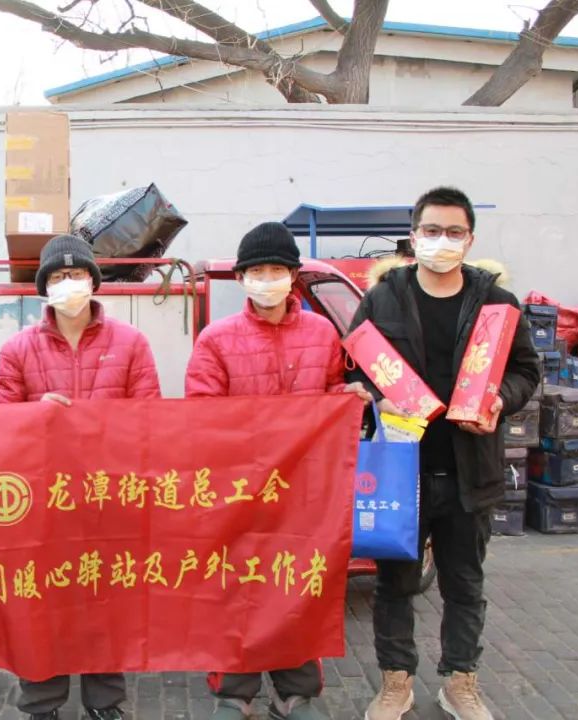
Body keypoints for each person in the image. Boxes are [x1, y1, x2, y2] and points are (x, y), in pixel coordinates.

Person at [348, 187, 540, 720]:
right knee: (395, 585)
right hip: (400, 470)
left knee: (464, 585)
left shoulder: (497, 303)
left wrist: (502, 399)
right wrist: (373, 394)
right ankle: (396, 683)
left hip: (469, 469)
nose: (442, 241)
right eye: (431, 230)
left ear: (470, 239)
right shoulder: (383, 298)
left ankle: (460, 682)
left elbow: (527, 371)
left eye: (454, 232)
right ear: (414, 236)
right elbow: (353, 364)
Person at [185, 222, 370, 720]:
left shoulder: (321, 332)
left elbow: (329, 392)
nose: (267, 279)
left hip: (305, 488)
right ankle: (235, 692)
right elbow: (202, 414)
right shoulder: (216, 339)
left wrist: (346, 397)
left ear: (293, 276)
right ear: (242, 278)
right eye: (258, 270)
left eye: (277, 270)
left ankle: (296, 692)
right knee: (237, 588)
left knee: (299, 584)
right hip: (240, 489)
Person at [0, 234, 161, 720]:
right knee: (42, 601)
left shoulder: (130, 343)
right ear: (45, 287)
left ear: (94, 281)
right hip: (44, 499)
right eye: (60, 276)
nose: (70, 283)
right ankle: (41, 702)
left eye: (78, 274)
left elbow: (149, 418)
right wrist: (35, 414)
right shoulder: (18, 349)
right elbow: (0, 423)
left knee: (106, 601)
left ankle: (104, 701)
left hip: (109, 494)